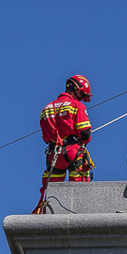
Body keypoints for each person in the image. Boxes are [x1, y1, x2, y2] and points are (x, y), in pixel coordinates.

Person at [39, 75, 94, 205]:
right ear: (78, 91)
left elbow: (45, 137)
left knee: (51, 191)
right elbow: (85, 134)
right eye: (82, 95)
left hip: (53, 155)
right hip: (72, 151)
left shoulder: (46, 109)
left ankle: (47, 213)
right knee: (79, 189)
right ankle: (78, 210)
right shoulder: (77, 106)